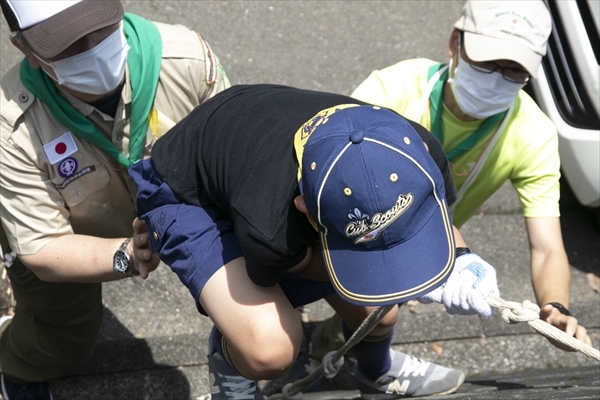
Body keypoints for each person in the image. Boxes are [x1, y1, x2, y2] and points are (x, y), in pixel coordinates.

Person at [129, 83, 501, 399]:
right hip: (185, 189)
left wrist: (461, 259)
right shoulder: (269, 223)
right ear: (305, 206)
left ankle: (376, 371)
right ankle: (230, 363)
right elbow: (304, 262)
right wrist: (405, 278)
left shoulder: (415, 148)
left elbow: (431, 215)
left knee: (379, 311)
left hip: (249, 148)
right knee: (268, 347)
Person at [297, 0, 592, 382]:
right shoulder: (393, 89)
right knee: (371, 309)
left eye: (514, 70)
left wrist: (555, 307)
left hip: (425, 245)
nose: (497, 77)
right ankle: (329, 350)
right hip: (349, 226)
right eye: (487, 61)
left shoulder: (532, 133)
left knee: (374, 311)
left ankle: (332, 349)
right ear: (455, 43)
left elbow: (547, 247)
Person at [0, 0, 229, 398]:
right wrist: (128, 254)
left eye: (101, 27)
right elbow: (44, 247)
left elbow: (236, 165)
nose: (93, 49)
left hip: (164, 208)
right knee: (61, 340)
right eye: (68, 44)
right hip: (64, 225)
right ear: (26, 50)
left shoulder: (188, 60)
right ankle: (13, 363)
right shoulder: (10, 125)